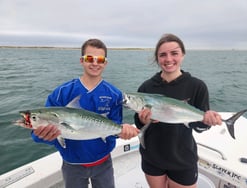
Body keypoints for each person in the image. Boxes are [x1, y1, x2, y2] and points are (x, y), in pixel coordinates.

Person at [31, 38, 139, 188]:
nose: (95, 63)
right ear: (82, 60)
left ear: (105, 63)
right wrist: (42, 136)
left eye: (100, 60)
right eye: (90, 58)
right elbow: (39, 133)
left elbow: (115, 128)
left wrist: (123, 131)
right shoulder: (61, 93)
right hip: (72, 164)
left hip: (104, 162)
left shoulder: (114, 94)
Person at [134, 33, 222, 188]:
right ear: (157, 58)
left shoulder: (197, 86)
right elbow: (140, 124)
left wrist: (206, 120)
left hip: (183, 157)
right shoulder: (146, 87)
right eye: (163, 55)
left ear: (183, 55)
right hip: (152, 156)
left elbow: (200, 127)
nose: (168, 59)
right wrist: (142, 120)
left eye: (174, 53)